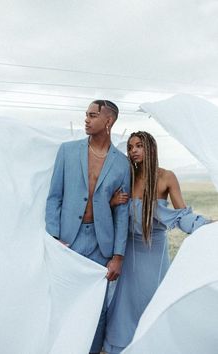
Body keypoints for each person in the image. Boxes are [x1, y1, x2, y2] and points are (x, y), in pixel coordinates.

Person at [104, 131, 210, 354]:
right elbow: (114, 215)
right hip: (130, 250)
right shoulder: (128, 177)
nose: (133, 151)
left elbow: (181, 214)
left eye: (139, 146)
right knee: (125, 303)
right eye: (131, 147)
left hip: (155, 250)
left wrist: (206, 226)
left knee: (153, 298)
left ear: (150, 148)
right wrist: (113, 202)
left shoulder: (166, 177)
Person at [45, 100, 130, 354]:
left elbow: (122, 213)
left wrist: (118, 256)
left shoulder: (122, 164)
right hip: (68, 241)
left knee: (97, 307)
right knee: (62, 301)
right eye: (85, 115)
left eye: (93, 115)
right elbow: (54, 197)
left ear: (108, 121)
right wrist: (54, 237)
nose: (86, 119)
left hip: (101, 244)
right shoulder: (67, 151)